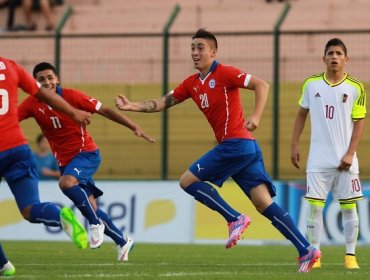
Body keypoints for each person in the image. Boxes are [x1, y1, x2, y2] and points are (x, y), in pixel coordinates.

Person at [115, 28, 320, 273]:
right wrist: (131, 106)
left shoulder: (225, 72)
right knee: (262, 203)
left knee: (187, 181)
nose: (195, 52)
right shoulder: (191, 84)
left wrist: (255, 116)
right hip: (246, 149)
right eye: (192, 48)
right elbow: (162, 102)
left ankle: (234, 218)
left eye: (200, 47)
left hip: (236, 144)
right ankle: (306, 249)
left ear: (214, 52)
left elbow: (261, 85)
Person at [18, 62, 155, 261]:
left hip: (86, 153)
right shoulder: (32, 103)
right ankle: (122, 241)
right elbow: (11, 118)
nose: (47, 82)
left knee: (66, 183)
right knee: (91, 206)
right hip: (65, 161)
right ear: (35, 83)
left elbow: (105, 110)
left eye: (50, 77)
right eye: (41, 79)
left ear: (57, 79)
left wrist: (133, 126)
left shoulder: (73, 96)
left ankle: (94, 224)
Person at [0, 56, 90, 253]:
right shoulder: (10, 66)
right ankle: (58, 216)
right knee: (29, 208)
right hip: (18, 149)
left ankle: (2, 264)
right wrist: (73, 112)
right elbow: (43, 93)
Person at [291, 38, 366, 270]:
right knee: (315, 208)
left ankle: (350, 257)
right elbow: (301, 114)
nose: (334, 57)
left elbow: (360, 122)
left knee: (349, 207)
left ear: (346, 59)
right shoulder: (311, 84)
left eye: (338, 53)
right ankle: (315, 256)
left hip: (346, 160)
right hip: (318, 159)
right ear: (323, 58)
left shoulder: (356, 87)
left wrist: (350, 154)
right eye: (330, 53)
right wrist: (294, 145)